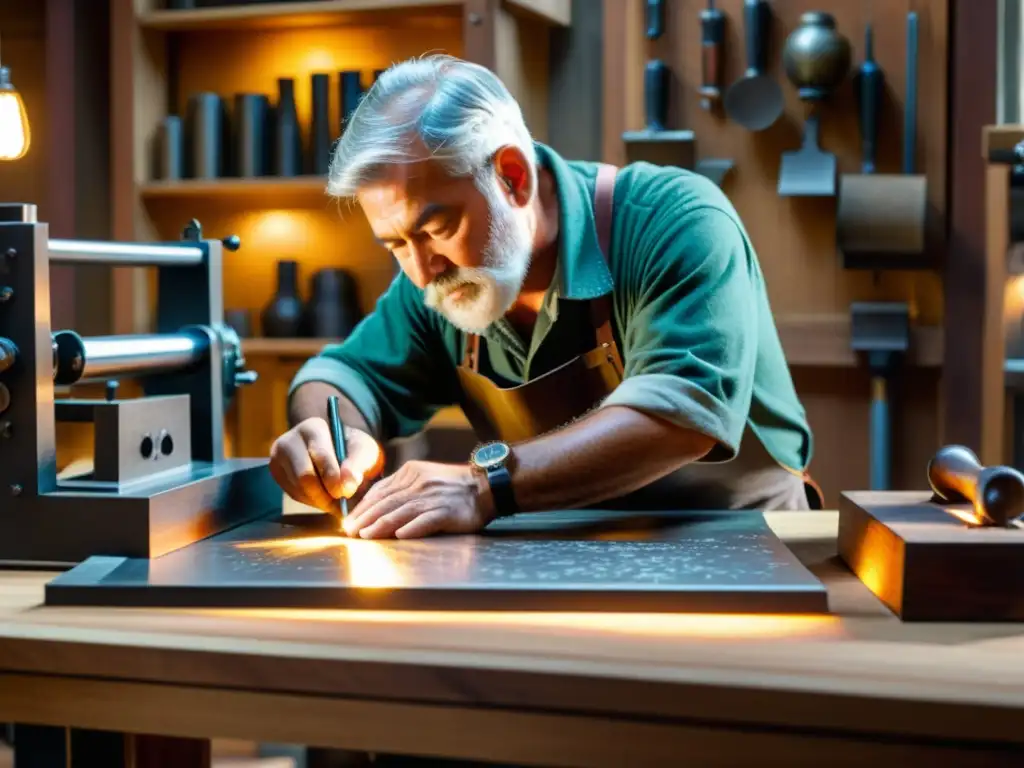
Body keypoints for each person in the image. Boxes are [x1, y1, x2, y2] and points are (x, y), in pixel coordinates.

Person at [268, 54, 820, 540]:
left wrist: (485, 487)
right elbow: (341, 376)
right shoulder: (441, 284)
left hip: (743, 540)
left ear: (512, 177)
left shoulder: (675, 221)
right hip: (561, 548)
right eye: (393, 244)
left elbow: (679, 417)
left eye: (436, 229)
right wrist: (328, 436)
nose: (419, 270)